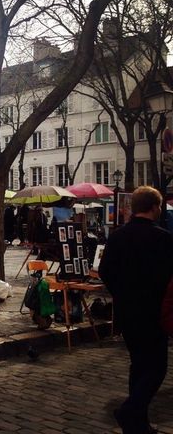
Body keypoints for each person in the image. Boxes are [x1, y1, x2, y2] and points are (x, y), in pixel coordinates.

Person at [99, 186, 173, 434]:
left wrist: (121, 292)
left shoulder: (118, 236)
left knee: (138, 364)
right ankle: (130, 411)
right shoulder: (163, 238)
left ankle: (138, 423)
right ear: (154, 208)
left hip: (126, 310)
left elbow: (104, 271)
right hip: (153, 311)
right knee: (157, 367)